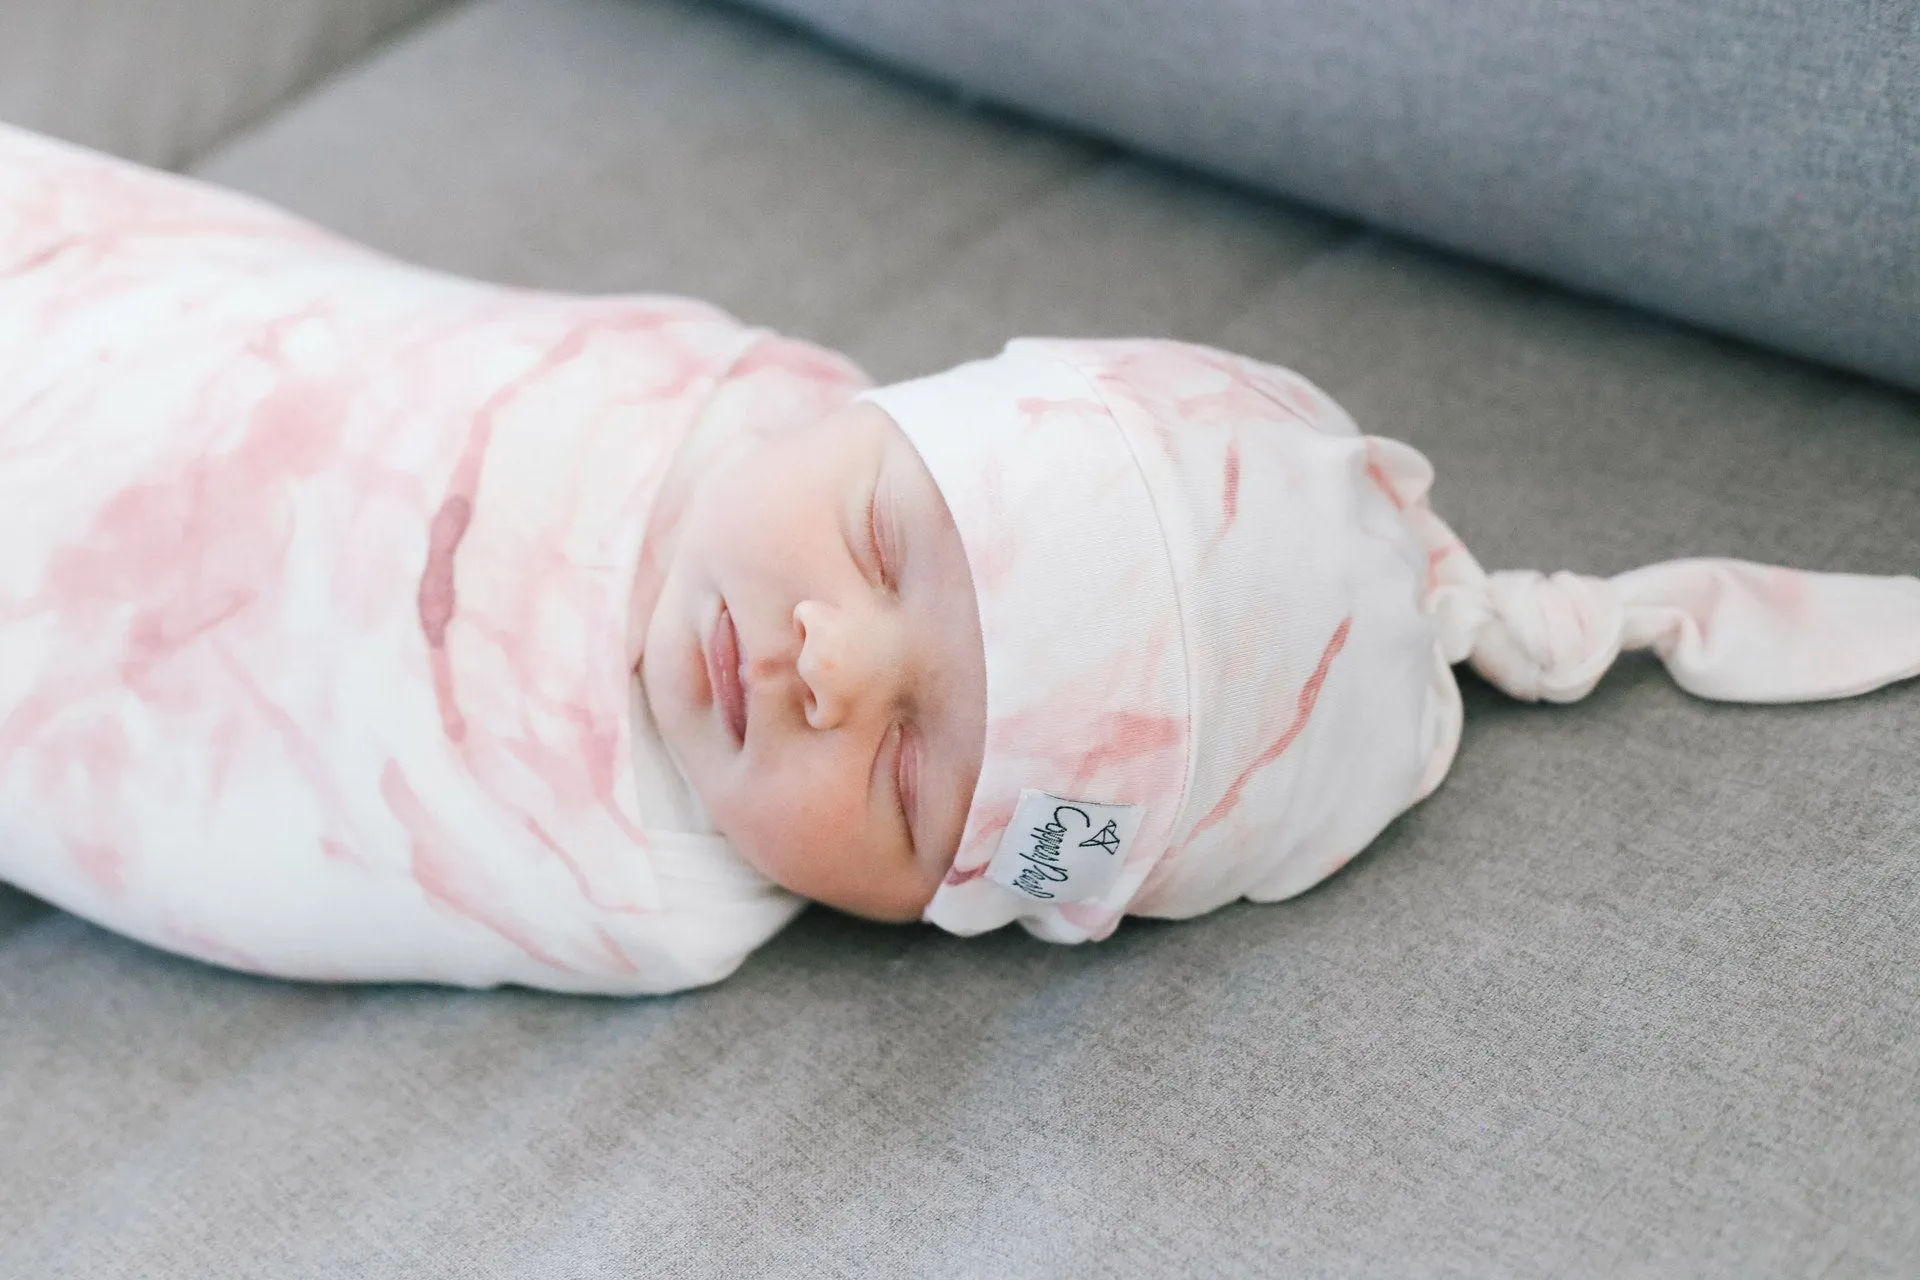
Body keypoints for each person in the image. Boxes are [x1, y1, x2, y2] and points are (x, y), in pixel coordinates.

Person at [4, 124, 1916, 994]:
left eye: (913, 773)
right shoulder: (735, 391)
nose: (833, 665)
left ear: (952, 904)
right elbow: (339, 335)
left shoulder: (635, 889)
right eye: (878, 535)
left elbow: (214, 828)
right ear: (882, 414)